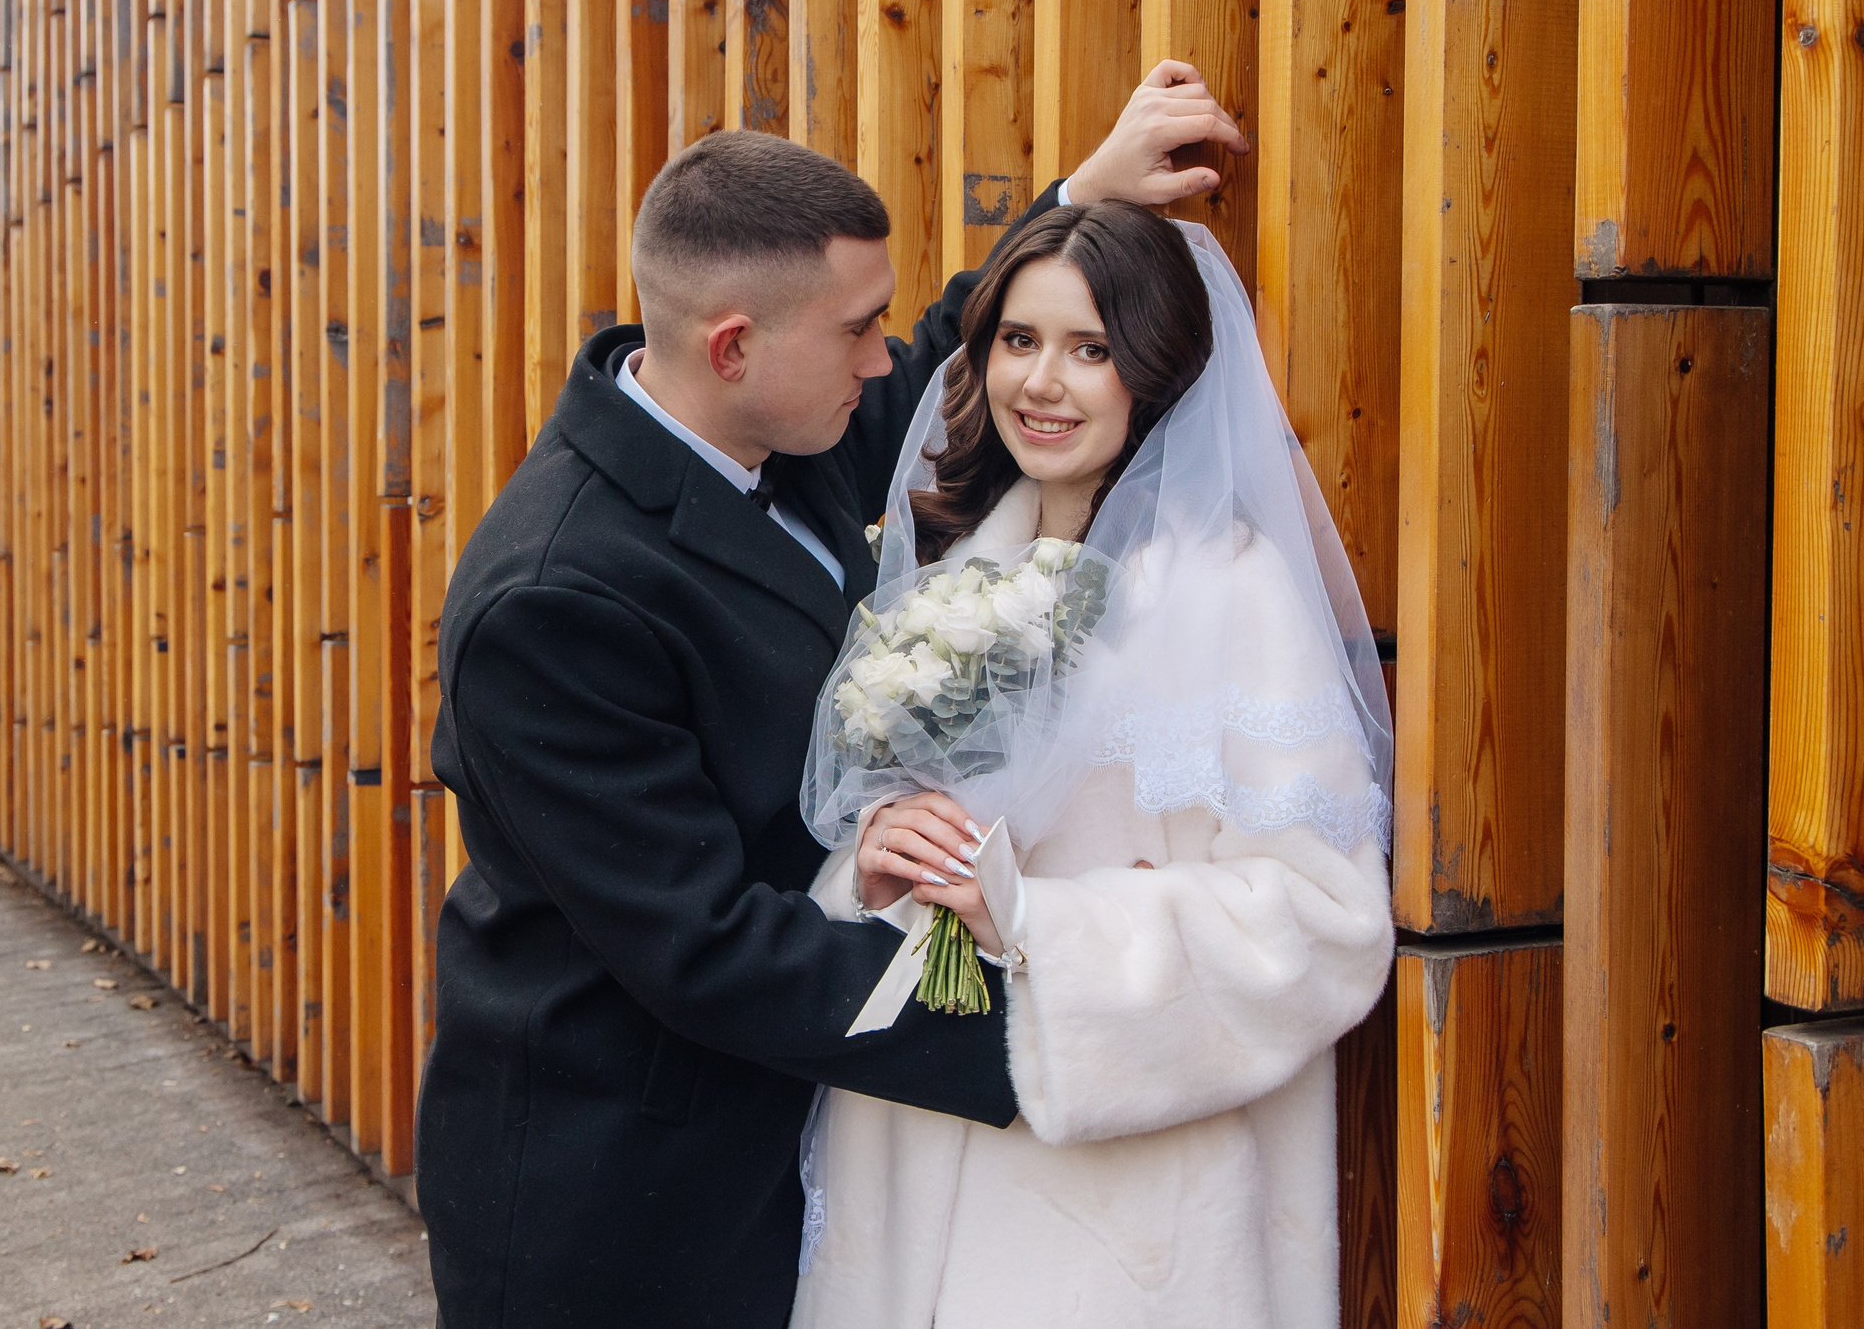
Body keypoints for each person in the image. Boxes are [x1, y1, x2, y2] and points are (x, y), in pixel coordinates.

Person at [417, 64, 1250, 1329]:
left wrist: (1082, 198)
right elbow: (705, 946)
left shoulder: (762, 427)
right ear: (735, 344)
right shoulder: (553, 603)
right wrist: (1060, 1028)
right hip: (623, 1194)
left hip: (768, 1129)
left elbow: (936, 372)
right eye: (856, 329)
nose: (886, 355)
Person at [791, 202, 1395, 1328]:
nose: (1043, 384)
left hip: (1127, 1216)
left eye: (1091, 349)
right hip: (920, 1150)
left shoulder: (1230, 588)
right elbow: (894, 843)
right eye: (1019, 341)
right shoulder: (955, 568)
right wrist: (878, 862)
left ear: (1153, 370)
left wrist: (1036, 923)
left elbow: (1328, 919)